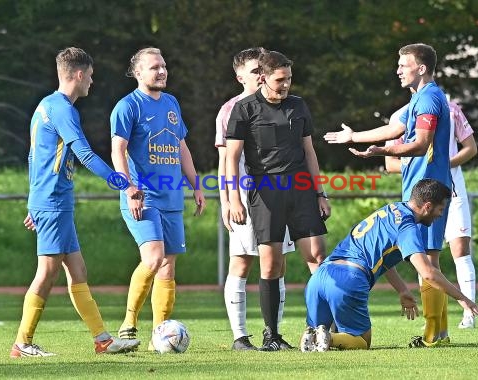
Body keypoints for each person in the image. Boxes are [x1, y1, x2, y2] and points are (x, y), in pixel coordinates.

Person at [11, 47, 141, 358]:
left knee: (78, 271)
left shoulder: (45, 106)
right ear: (79, 74)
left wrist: (34, 202)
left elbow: (33, 157)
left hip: (53, 201)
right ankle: (22, 342)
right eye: (91, 76)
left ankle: (103, 340)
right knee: (47, 273)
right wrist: (123, 184)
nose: (92, 82)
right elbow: (84, 154)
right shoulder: (62, 109)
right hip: (53, 201)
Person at [324, 43, 452, 346]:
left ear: (420, 68)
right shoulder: (418, 100)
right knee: (427, 262)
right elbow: (392, 127)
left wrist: (385, 151)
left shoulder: (430, 98)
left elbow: (421, 143)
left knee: (429, 262)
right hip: (418, 191)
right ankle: (439, 333)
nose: (398, 70)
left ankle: (436, 334)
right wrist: (354, 136)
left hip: (429, 192)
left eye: (403, 64)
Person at [301, 179, 478, 352]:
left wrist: (402, 290)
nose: (441, 215)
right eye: (440, 209)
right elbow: (428, 273)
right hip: (349, 279)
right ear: (427, 206)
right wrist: (463, 299)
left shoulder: (391, 209)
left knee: (319, 328)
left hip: (320, 276)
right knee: (362, 342)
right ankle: (328, 338)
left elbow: (383, 259)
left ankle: (313, 335)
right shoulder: (407, 227)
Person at [226, 50, 330, 351]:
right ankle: (271, 336)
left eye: (289, 79)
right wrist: (234, 199)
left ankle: (321, 327)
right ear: (263, 78)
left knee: (318, 257)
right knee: (271, 265)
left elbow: (309, 151)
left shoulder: (298, 106)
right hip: (265, 192)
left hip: (300, 189)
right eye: (280, 80)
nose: (286, 85)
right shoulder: (244, 109)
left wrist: (320, 192)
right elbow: (232, 159)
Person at [110, 47, 206, 350]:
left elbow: (181, 147)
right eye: (154, 67)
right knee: (153, 259)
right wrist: (129, 189)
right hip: (143, 195)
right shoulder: (127, 106)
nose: (162, 71)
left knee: (168, 266)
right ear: (138, 73)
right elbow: (118, 150)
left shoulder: (171, 103)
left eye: (164, 66)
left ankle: (158, 336)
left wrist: (196, 184)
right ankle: (128, 323)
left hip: (172, 197)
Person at [215, 47, 297, 350]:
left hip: (278, 195)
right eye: (253, 72)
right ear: (240, 77)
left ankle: (271, 333)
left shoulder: (281, 105)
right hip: (247, 196)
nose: (260, 76)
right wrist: (230, 200)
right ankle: (239, 336)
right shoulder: (231, 109)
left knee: (277, 263)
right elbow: (226, 159)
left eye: (261, 70)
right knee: (242, 262)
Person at [385, 100, 478, 329]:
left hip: (452, 190)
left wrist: (442, 166)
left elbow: (471, 148)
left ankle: (470, 314)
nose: (400, 72)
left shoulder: (451, 108)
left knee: (460, 248)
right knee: (425, 255)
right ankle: (434, 323)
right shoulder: (400, 115)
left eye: (404, 67)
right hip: (421, 197)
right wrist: (422, 167)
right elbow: (390, 163)